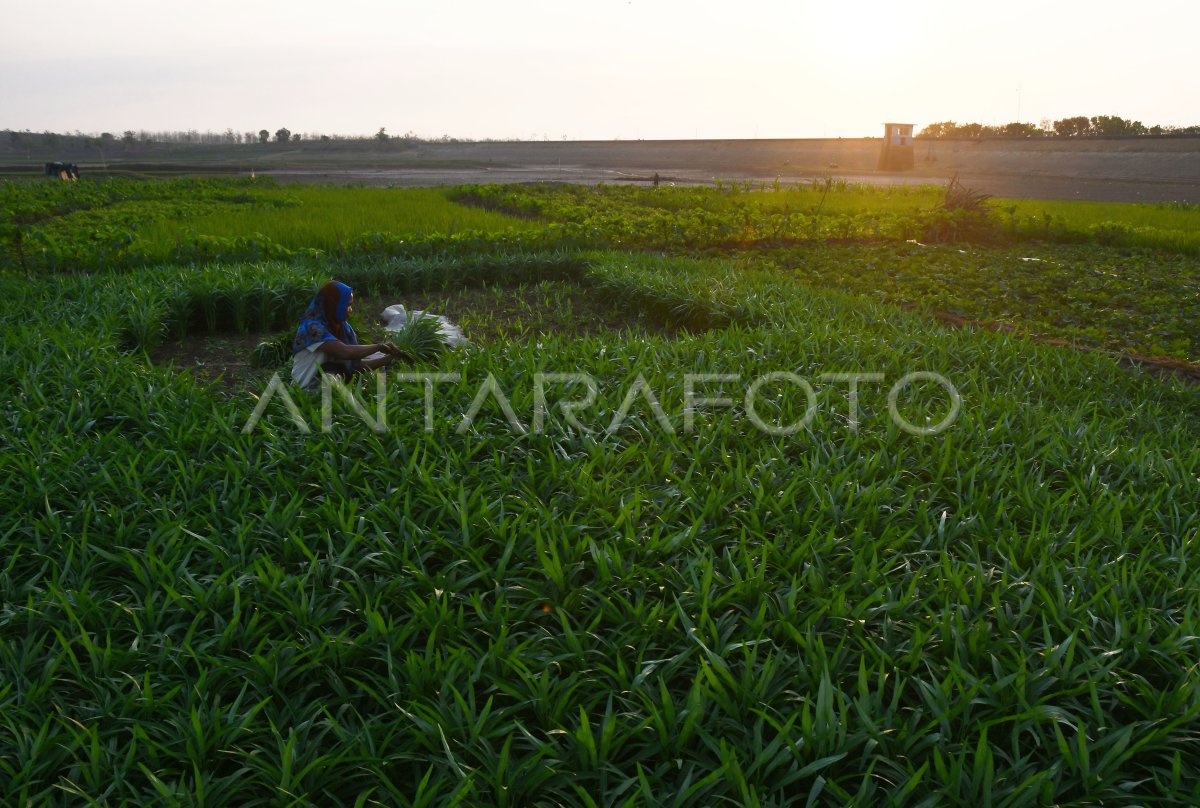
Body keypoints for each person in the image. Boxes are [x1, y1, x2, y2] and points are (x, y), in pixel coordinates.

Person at [291, 280, 398, 390]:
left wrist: (387, 360)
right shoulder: (311, 328)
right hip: (305, 389)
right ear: (333, 303)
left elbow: (354, 366)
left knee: (335, 371)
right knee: (331, 373)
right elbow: (346, 352)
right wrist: (378, 347)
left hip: (329, 383)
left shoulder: (344, 329)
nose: (350, 310)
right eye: (347, 305)